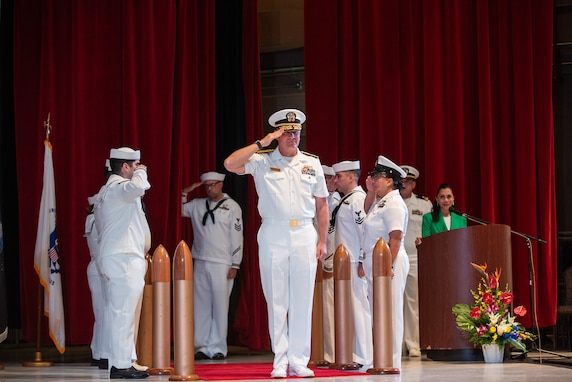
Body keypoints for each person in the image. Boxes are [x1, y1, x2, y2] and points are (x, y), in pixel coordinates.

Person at [224, 108, 329, 378]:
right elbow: (230, 164)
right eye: (286, 132)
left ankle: (299, 360)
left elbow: (321, 205)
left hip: (305, 233)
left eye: (296, 132)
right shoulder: (261, 160)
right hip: (274, 232)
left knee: (303, 299)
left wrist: (322, 240)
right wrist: (262, 142)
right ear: (277, 134)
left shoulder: (312, 163)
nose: (293, 136)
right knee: (276, 299)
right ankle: (280, 360)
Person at [93, 147, 151, 379]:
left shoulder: (109, 191)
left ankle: (128, 359)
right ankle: (119, 364)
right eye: (136, 165)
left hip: (121, 256)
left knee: (125, 312)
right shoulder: (118, 188)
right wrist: (142, 173)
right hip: (123, 258)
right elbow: (138, 186)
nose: (139, 169)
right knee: (122, 313)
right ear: (125, 167)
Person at [181, 171, 243, 361]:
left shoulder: (232, 207)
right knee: (200, 306)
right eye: (206, 186)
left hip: (222, 262)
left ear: (221, 184)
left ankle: (217, 347)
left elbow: (237, 236)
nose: (210, 189)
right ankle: (201, 345)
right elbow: (180, 209)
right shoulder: (198, 205)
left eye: (213, 185)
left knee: (219, 306)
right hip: (200, 260)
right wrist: (186, 192)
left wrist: (235, 264)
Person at [361, 155, 409, 370]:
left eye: (377, 177)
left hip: (390, 263)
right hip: (377, 264)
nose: (373, 180)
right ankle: (379, 357)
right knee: (378, 311)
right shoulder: (381, 201)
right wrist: (371, 190)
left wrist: (388, 266)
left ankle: (391, 360)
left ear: (390, 180)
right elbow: (365, 211)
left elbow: (395, 238)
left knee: (391, 311)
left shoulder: (394, 204)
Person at [330, 160, 372, 367]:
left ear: (351, 177)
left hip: (354, 260)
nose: (335, 180)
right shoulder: (344, 199)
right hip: (344, 262)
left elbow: (364, 230)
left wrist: (363, 260)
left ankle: (364, 356)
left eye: (339, 176)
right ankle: (353, 353)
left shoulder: (357, 200)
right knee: (349, 309)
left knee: (358, 307)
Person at [399, 165, 432, 358]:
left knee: (412, 303)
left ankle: (412, 344)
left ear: (413, 184)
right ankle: (397, 343)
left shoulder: (423, 205)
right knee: (393, 301)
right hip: (392, 256)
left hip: (414, 257)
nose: (403, 185)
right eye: (401, 182)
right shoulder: (388, 202)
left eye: (407, 182)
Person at [85, 160, 112, 369]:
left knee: (103, 312)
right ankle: (103, 354)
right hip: (102, 264)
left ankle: (99, 351)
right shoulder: (97, 214)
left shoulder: (94, 212)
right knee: (105, 312)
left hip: (99, 264)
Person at [320, 164, 339, 363]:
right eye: (323, 178)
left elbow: (334, 236)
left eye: (329, 179)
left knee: (331, 308)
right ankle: (319, 350)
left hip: (333, 262)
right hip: (314, 261)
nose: (326, 182)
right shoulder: (312, 201)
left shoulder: (338, 202)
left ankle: (332, 352)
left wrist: (329, 264)